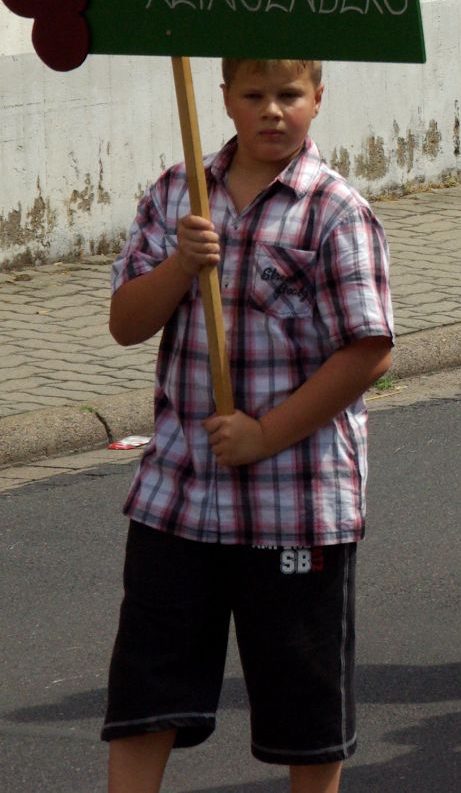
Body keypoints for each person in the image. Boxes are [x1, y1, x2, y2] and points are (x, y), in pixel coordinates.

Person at [102, 58, 396, 793]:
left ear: (318, 99)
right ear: (225, 98)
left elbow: (369, 351)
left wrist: (266, 434)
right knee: (147, 693)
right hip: (179, 494)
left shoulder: (335, 211)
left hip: (294, 505)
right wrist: (179, 266)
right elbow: (125, 323)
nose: (273, 111)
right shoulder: (178, 193)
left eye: (290, 96)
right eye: (255, 95)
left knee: (306, 707)